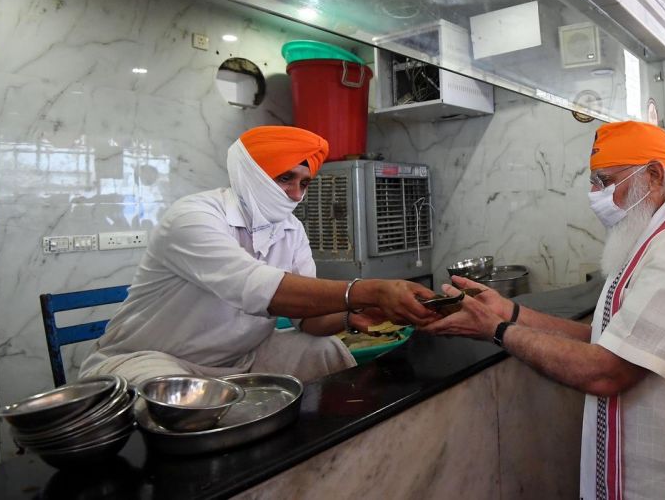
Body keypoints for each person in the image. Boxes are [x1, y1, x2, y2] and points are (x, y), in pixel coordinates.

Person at [418, 121, 665, 498]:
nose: (595, 194)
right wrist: (509, 312)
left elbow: (608, 371)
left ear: (654, 175)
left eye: (604, 180)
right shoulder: (653, 236)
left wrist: (496, 330)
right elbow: (604, 338)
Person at [80, 126, 436, 385]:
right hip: (149, 359)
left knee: (326, 350)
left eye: (305, 182)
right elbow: (255, 288)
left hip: (242, 358)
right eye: (285, 179)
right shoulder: (193, 217)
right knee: (178, 395)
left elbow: (307, 320)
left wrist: (355, 314)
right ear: (252, 174)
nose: (296, 194)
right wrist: (369, 290)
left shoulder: (290, 230)